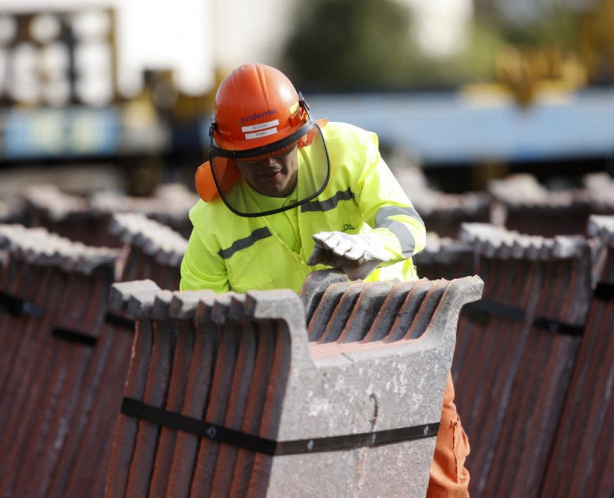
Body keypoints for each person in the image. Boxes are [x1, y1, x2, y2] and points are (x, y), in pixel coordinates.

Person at [180, 63, 470, 497]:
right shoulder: (213, 219)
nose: (271, 164)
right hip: (294, 374)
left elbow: (411, 227)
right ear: (229, 154)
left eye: (281, 147)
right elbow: (201, 325)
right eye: (254, 157)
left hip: (401, 338)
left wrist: (372, 248)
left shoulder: (350, 151)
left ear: (304, 134)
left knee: (439, 480)